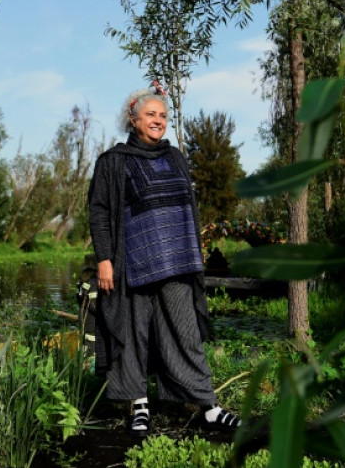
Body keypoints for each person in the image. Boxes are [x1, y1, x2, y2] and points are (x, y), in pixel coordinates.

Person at [87, 82, 241, 436]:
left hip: (176, 264)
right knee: (133, 332)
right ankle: (138, 404)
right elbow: (99, 212)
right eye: (151, 114)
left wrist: (192, 250)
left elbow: (188, 210)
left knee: (185, 333)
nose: (158, 120)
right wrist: (105, 260)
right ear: (133, 119)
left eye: (163, 116)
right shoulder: (114, 162)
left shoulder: (174, 157)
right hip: (132, 266)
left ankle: (208, 407)